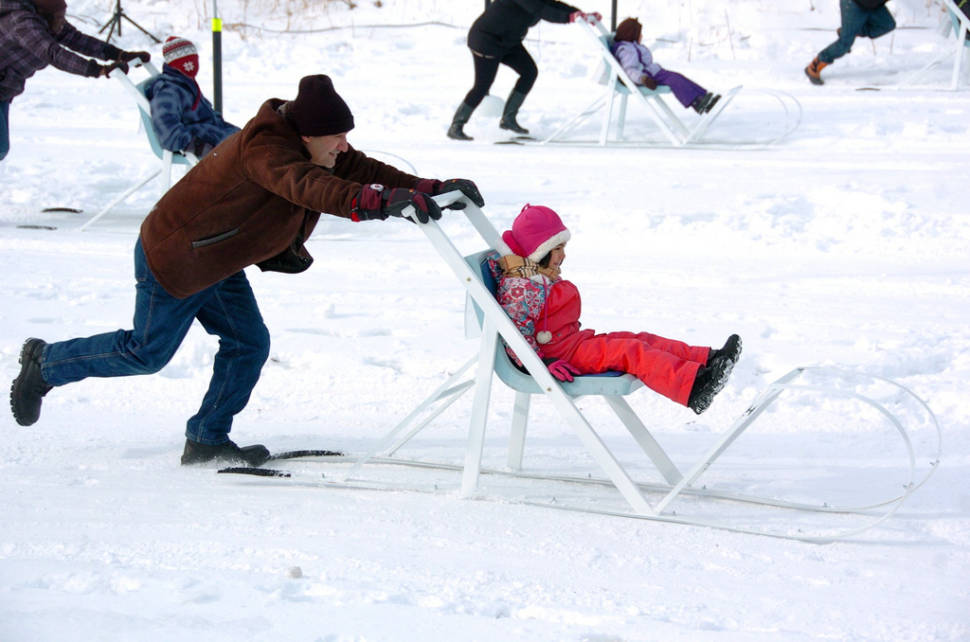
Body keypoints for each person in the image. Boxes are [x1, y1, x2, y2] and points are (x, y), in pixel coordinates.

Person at [9, 74, 485, 467]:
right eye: (337, 138)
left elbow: (358, 168)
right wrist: (376, 203)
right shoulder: (267, 152)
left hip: (218, 258)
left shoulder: (313, 142)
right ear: (307, 136)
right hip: (177, 256)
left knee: (248, 344)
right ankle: (46, 363)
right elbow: (309, 186)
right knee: (146, 352)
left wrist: (428, 188)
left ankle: (206, 438)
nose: (344, 146)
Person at [489, 204, 741, 414]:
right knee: (631, 351)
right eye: (557, 249)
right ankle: (695, 387)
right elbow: (515, 335)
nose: (563, 255)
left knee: (640, 339)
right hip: (561, 356)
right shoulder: (520, 287)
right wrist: (544, 364)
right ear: (537, 251)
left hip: (574, 344)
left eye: (563, 248)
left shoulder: (537, 274)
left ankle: (707, 359)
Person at [0, 0, 150, 161]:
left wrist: (120, 54)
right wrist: (99, 70)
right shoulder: (22, 23)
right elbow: (54, 54)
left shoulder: (45, 18)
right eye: (59, 18)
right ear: (45, 14)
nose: (62, 23)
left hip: (5, 89)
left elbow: (77, 39)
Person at [447, 0, 603, 141]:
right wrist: (569, 17)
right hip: (487, 40)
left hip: (509, 41)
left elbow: (552, 4)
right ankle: (456, 126)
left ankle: (508, 119)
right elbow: (540, 9)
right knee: (482, 86)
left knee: (529, 72)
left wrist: (580, 14)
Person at [145, 36, 239, 158]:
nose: (192, 65)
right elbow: (169, 133)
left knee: (252, 140)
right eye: (187, 61)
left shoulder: (187, 83)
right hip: (201, 141)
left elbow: (206, 112)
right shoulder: (167, 92)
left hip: (215, 131)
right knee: (246, 150)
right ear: (176, 64)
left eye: (194, 60)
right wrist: (197, 146)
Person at [612, 17, 720, 114]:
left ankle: (703, 96)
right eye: (639, 33)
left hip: (652, 72)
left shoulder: (631, 46)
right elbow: (629, 70)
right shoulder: (626, 50)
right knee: (675, 81)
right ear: (632, 34)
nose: (642, 36)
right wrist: (643, 79)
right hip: (647, 77)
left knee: (678, 77)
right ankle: (696, 102)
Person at [805, 0, 896, 85]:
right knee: (845, 44)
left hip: (872, 5)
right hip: (854, 4)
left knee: (887, 24)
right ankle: (814, 66)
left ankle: (851, 31)